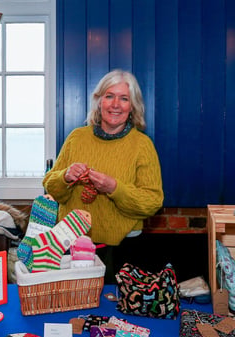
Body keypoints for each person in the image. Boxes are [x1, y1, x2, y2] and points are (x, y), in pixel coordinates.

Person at [43, 69, 164, 282]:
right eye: (109, 96)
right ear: (99, 101)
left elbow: (152, 202)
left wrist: (114, 188)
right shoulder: (77, 137)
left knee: (113, 312)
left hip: (122, 250)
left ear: (132, 106)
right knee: (73, 307)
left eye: (124, 98)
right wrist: (65, 176)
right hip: (72, 243)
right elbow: (50, 186)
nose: (115, 104)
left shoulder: (142, 145)